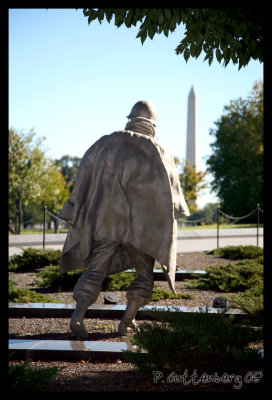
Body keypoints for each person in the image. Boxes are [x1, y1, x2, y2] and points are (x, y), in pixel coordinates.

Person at [59, 100, 189, 338]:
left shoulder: (104, 143)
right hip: (143, 227)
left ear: (130, 119)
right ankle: (127, 320)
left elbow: (83, 174)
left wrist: (73, 206)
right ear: (152, 124)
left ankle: (78, 316)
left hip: (107, 222)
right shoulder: (160, 150)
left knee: (96, 269)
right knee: (144, 274)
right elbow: (174, 198)